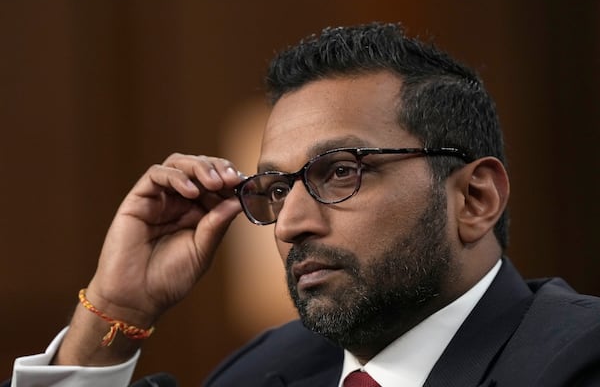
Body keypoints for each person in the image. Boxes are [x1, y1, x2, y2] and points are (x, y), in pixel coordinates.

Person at [8, 22, 600, 387]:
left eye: (340, 172)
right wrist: (114, 307)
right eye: (277, 188)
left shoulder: (577, 360)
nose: (289, 224)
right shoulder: (262, 371)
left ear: (475, 198)